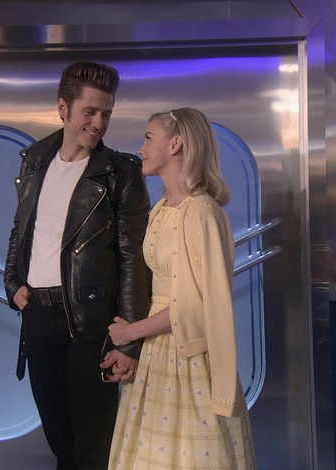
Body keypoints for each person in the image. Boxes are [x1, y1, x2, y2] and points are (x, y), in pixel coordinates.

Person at [4, 61, 152, 470]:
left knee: (94, 446)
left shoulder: (121, 172)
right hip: (38, 315)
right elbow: (21, 230)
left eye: (106, 113)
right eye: (90, 111)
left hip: (92, 322)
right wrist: (12, 283)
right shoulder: (34, 161)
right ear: (63, 108)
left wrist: (128, 341)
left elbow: (134, 259)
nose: (99, 122)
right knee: (60, 440)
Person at [106, 108, 257, 469]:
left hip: (190, 356)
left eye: (148, 138)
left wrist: (131, 332)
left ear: (175, 144)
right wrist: (132, 346)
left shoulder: (202, 212)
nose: (141, 148)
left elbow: (197, 305)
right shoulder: (160, 209)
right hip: (156, 354)